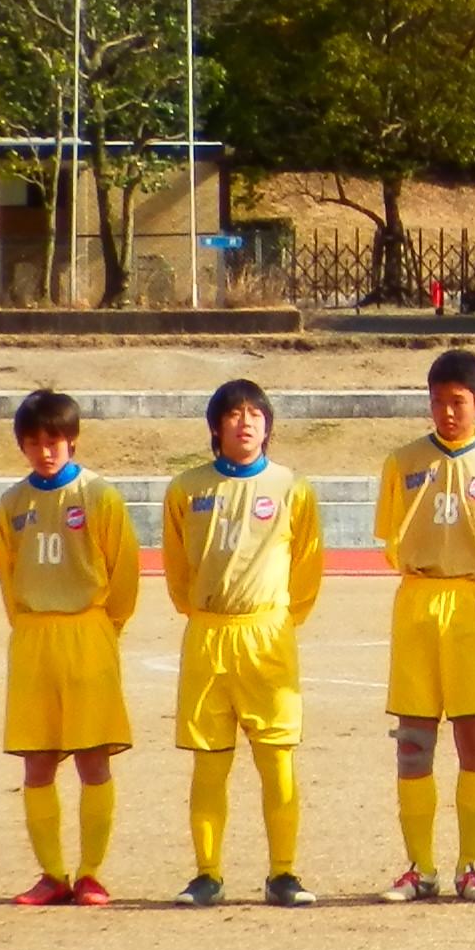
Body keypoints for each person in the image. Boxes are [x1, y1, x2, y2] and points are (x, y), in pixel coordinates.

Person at [377, 347, 475, 904]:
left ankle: (472, 865)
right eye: (439, 402)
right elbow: (389, 535)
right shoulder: (401, 463)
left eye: (459, 402)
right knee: (415, 741)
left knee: (474, 737)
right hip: (419, 600)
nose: (448, 413)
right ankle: (419, 867)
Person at [163, 376, 326, 906]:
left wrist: (278, 619)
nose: (246, 421)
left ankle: (284, 873)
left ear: (268, 424)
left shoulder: (291, 488)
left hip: (267, 635)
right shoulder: (187, 489)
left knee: (277, 759)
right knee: (210, 762)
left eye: (256, 412)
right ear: (216, 426)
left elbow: (308, 568)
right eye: (234, 413)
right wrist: (206, 612)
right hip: (209, 634)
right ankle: (206, 873)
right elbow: (175, 571)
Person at [0, 387, 137, 906]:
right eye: (33, 442)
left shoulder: (99, 497)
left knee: (93, 759)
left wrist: (103, 628)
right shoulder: (12, 504)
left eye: (53, 440)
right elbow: (9, 578)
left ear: (72, 440)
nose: (44, 451)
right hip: (34, 637)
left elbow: (124, 576)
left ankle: (92, 873)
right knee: (38, 761)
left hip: (88, 632)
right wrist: (30, 626)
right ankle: (52, 873)